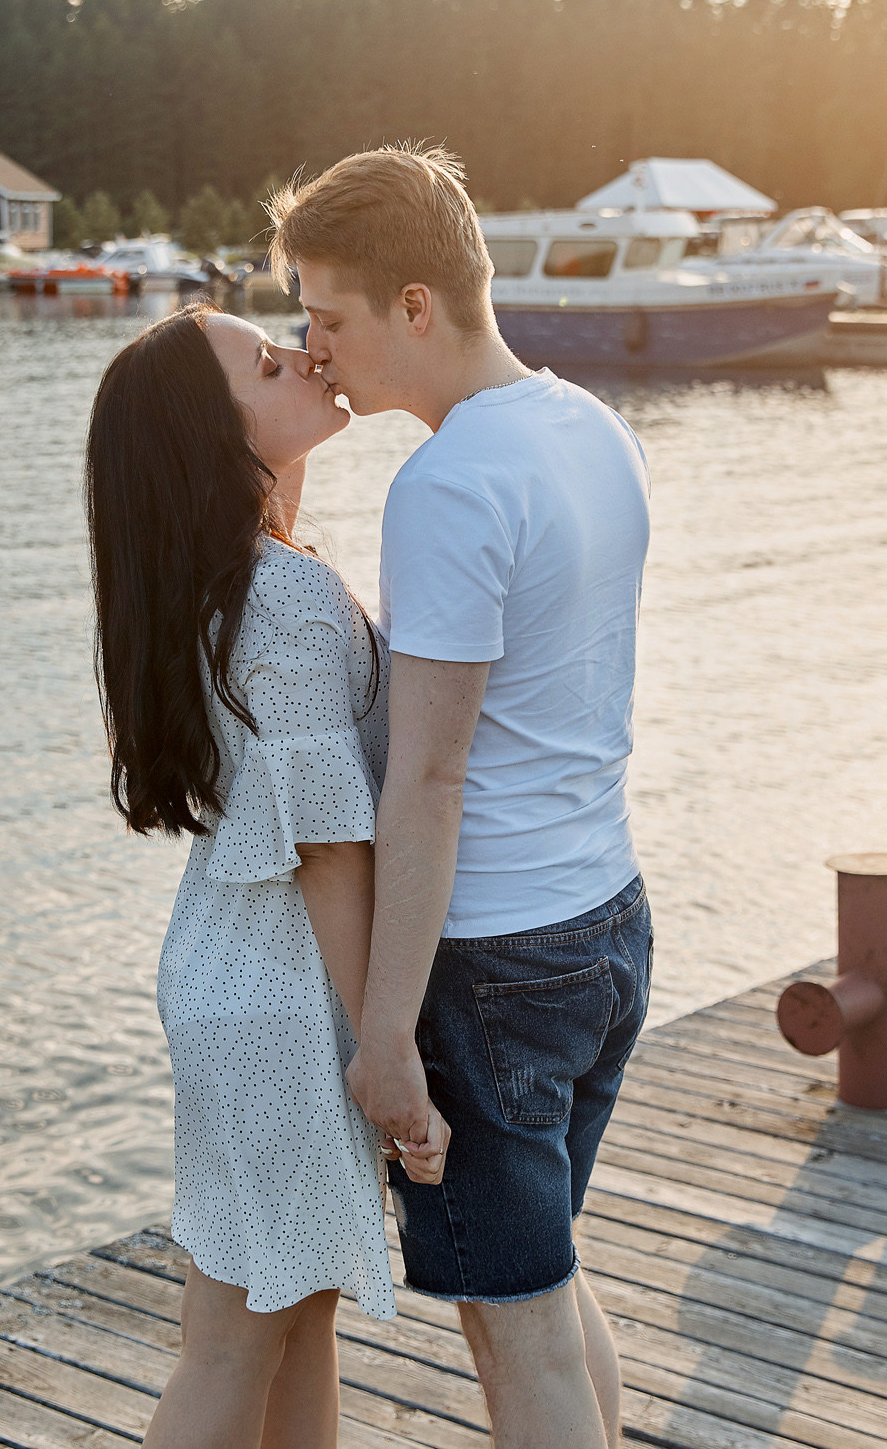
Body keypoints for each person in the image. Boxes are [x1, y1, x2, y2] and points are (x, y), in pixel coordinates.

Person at [270, 147, 653, 1449]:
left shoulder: (447, 484)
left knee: (516, 1326)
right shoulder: (590, 427)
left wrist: (385, 1032)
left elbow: (429, 777)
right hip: (606, 919)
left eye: (330, 317)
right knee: (545, 1280)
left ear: (416, 305)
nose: (313, 349)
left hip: (493, 962)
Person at [86, 306, 451, 1449]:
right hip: (290, 1004)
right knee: (242, 1336)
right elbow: (332, 851)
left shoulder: (225, 583)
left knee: (291, 1320)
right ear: (217, 436)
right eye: (267, 362)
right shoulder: (282, 598)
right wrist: (380, 1050)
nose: (303, 355)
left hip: (229, 976)